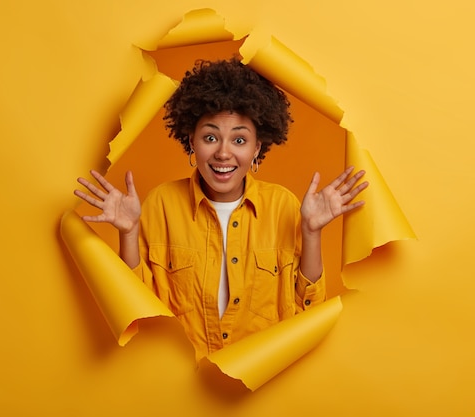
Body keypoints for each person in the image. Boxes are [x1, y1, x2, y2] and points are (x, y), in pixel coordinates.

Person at [74, 57, 368, 359]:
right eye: (210, 137)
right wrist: (128, 231)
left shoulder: (283, 205)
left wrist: (311, 232)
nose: (223, 153)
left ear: (256, 148)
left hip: (261, 382)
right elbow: (137, 304)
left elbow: (307, 310)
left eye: (239, 139)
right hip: (181, 381)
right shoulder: (161, 203)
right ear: (192, 141)